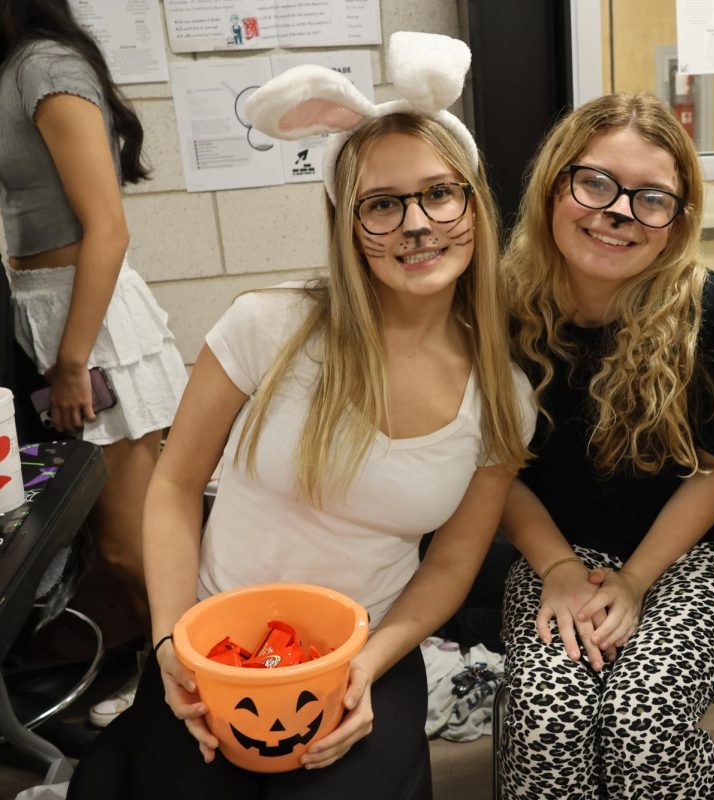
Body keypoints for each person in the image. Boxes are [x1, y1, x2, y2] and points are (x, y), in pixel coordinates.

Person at [68, 32, 534, 799]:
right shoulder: (267, 328)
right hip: (211, 647)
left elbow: (451, 563)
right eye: (382, 205)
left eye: (439, 193)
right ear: (349, 227)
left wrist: (370, 662)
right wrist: (170, 641)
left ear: (474, 208)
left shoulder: (504, 393)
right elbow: (177, 485)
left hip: (365, 658)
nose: (417, 223)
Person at [498, 93, 714, 799]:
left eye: (651, 198)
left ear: (676, 221)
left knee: (641, 713)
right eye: (594, 182)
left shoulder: (706, 311)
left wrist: (634, 581)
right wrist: (560, 568)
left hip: (707, 547)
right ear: (554, 183)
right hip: (557, 544)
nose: (618, 211)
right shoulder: (495, 305)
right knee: (546, 709)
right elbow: (491, 467)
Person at [0, 0, 189, 725]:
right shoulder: (14, 69)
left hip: (88, 321)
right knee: (110, 545)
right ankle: (163, 680)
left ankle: (194, 675)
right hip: (44, 312)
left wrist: (73, 359)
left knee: (134, 543)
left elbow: (107, 228)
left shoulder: (46, 66)